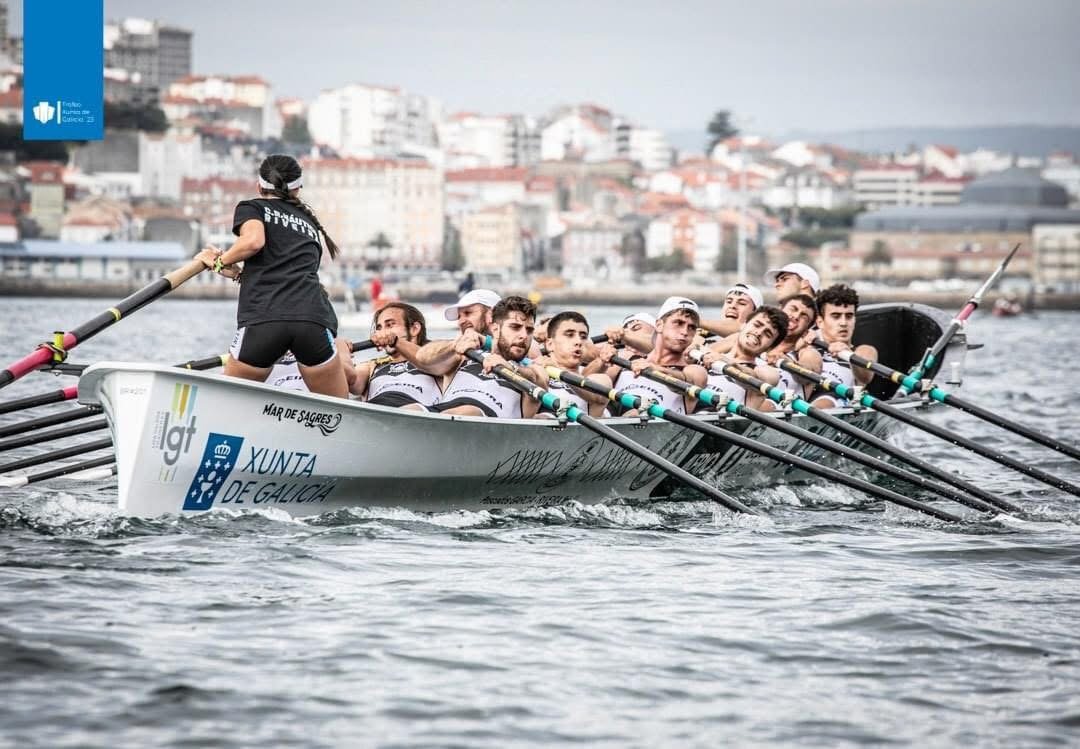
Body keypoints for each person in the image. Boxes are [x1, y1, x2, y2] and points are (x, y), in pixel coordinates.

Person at [196, 154, 348, 398]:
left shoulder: (253, 207)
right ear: (298, 189)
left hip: (264, 320)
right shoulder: (308, 221)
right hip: (313, 322)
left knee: (227, 405)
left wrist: (218, 262)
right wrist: (237, 274)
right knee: (340, 409)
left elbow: (254, 242)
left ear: (259, 186)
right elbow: (285, 272)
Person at [427, 296, 546, 418]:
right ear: (495, 328)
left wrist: (510, 367)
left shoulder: (535, 370)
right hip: (442, 413)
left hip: (489, 425)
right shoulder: (464, 356)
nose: (524, 335)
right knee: (413, 408)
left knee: (468, 411)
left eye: (529, 330)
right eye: (515, 327)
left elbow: (536, 379)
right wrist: (453, 346)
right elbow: (422, 358)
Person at [595, 296, 708, 416]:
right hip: (612, 422)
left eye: (691, 327)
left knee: (635, 411)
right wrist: (601, 360)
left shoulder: (695, 371)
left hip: (659, 429)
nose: (685, 332)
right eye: (678, 323)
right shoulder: (623, 363)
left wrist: (657, 370)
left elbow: (686, 382)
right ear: (659, 325)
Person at [346, 302, 442, 411]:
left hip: (417, 415)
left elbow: (430, 360)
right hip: (374, 413)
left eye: (390, 325)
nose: (383, 332)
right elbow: (353, 384)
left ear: (414, 329)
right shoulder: (370, 366)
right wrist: (342, 354)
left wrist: (395, 341)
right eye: (379, 327)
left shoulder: (438, 359)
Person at [699, 306, 789, 411]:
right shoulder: (706, 354)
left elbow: (761, 379)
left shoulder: (767, 372)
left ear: (770, 347)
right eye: (757, 325)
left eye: (767, 334)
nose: (759, 333)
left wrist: (730, 364)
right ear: (744, 325)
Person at [529, 311, 612, 418]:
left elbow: (599, 396)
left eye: (583, 337)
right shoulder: (534, 370)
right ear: (550, 344)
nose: (578, 341)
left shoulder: (597, 378)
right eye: (570, 335)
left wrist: (557, 369)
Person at [810, 284, 879, 408]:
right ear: (820, 322)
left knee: (866, 350)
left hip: (834, 402)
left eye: (849, 316)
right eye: (836, 316)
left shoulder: (863, 352)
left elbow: (865, 377)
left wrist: (849, 355)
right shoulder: (807, 342)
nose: (843, 323)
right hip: (798, 397)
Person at [763, 294, 823, 400]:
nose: (796, 316)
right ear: (780, 310)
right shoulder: (755, 341)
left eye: (804, 316)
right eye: (793, 309)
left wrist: (788, 363)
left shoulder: (808, 353)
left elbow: (807, 375)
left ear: (806, 330)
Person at [698, 282, 763, 337]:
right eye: (729, 302)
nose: (732, 306)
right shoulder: (703, 334)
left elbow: (741, 330)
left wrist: (695, 320)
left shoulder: (756, 335)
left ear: (755, 313)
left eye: (742, 303)